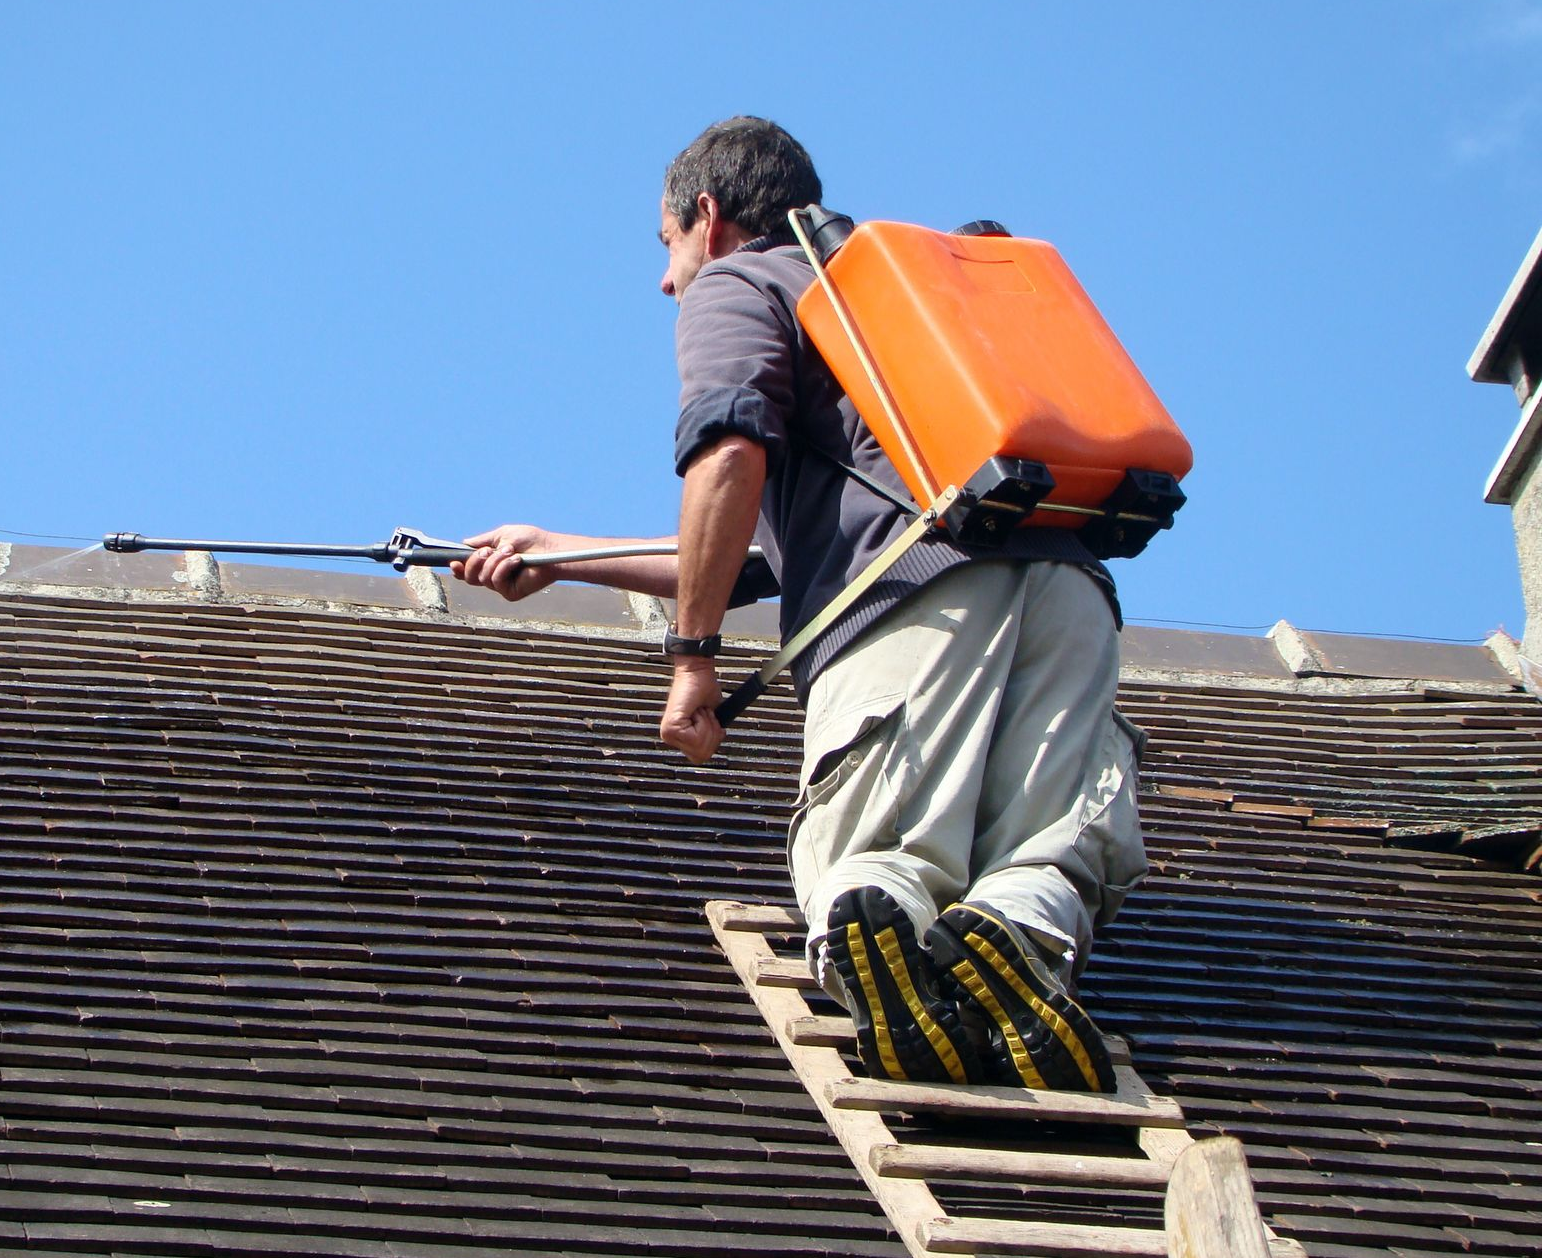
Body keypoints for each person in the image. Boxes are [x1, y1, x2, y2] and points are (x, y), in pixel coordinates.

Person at [452, 116, 1147, 1093]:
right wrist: (561, 556)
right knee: (1046, 848)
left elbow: (731, 458)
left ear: (708, 216)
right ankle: (1016, 949)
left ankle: (890, 932)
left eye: (667, 248)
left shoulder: (744, 281)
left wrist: (693, 660)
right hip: (1069, 589)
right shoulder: (900, 306)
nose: (666, 280)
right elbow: (756, 554)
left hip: (914, 612)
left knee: (874, 855)